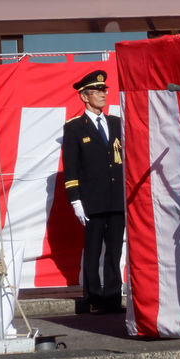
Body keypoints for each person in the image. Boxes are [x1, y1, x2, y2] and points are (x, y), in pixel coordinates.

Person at [62, 70, 125, 314]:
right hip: (92, 199)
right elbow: (71, 167)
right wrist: (76, 201)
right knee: (93, 250)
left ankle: (112, 296)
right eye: (97, 91)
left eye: (104, 90)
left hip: (116, 197)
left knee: (115, 250)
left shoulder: (116, 123)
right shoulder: (76, 128)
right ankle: (93, 297)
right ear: (84, 97)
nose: (102, 94)